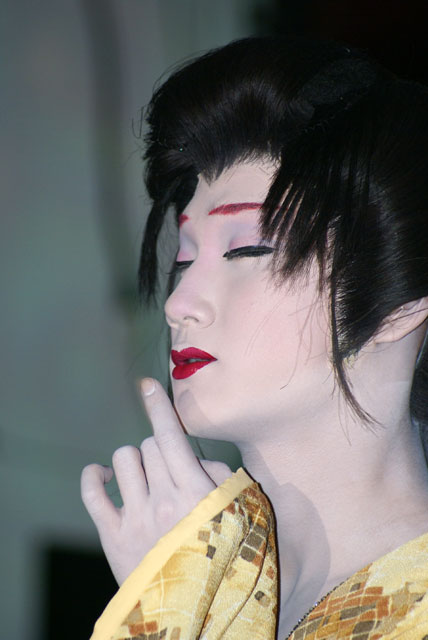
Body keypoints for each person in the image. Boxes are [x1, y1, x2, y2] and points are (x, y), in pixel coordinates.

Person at [81, 36, 428, 639]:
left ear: (398, 307)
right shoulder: (202, 577)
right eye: (185, 259)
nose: (180, 305)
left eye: (247, 250)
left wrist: (172, 611)